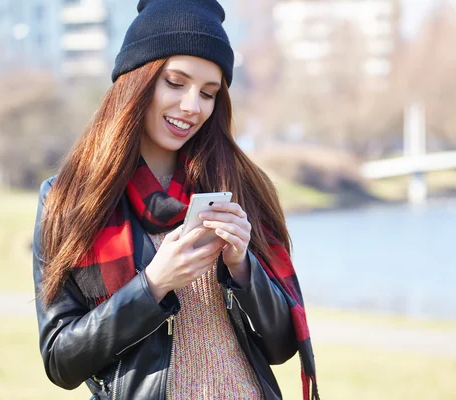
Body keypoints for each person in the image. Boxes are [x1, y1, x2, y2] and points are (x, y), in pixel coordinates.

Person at [32, 0, 319, 399]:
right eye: (175, 82)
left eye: (208, 92)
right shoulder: (69, 199)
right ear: (137, 79)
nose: (192, 106)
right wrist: (153, 284)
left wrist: (242, 267)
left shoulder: (242, 186)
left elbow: (282, 345)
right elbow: (61, 360)